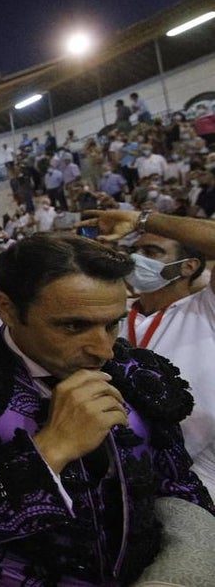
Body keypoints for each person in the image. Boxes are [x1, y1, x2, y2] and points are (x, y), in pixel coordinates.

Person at [0, 233, 215, 585]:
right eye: (73, 325)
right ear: (6, 308)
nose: (104, 351)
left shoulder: (138, 372)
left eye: (112, 323)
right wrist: (51, 448)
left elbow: (178, 484)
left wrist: (177, 572)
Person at [85, 207, 215, 498]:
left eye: (152, 251)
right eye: (135, 250)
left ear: (189, 266)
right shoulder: (113, 317)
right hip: (117, 479)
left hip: (196, 481)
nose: (137, 259)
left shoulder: (207, 309)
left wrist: (143, 220)